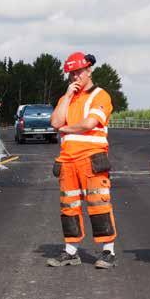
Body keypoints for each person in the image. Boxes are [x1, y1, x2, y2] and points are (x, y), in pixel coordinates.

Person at [48, 52, 118, 269]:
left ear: (89, 70)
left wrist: (65, 128)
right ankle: (70, 251)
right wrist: (68, 96)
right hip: (67, 161)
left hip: (91, 159)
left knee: (98, 205)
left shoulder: (100, 95)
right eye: (71, 73)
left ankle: (108, 251)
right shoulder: (66, 98)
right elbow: (55, 121)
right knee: (69, 207)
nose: (75, 77)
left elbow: (88, 124)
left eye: (79, 72)